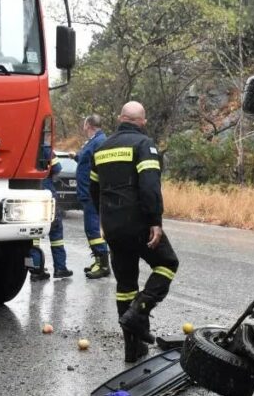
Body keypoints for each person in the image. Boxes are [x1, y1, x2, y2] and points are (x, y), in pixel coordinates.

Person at [90, 101, 179, 362]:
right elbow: (150, 185)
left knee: (125, 285)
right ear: (143, 121)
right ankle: (139, 310)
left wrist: (106, 218)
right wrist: (155, 221)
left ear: (120, 118)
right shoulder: (144, 145)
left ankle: (134, 348)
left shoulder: (102, 148)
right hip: (138, 223)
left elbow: (94, 190)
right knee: (167, 263)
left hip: (113, 226)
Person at [76, 115, 110, 279]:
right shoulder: (93, 141)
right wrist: (75, 157)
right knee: (91, 228)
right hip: (87, 191)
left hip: (92, 192)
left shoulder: (99, 142)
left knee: (92, 228)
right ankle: (98, 260)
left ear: (88, 124)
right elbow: (87, 162)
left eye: (84, 123)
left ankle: (103, 264)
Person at [30, 153, 73, 281]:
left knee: (33, 235)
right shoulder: (45, 148)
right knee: (56, 233)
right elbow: (57, 168)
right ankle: (60, 269)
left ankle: (36, 271)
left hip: (29, 194)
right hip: (46, 194)